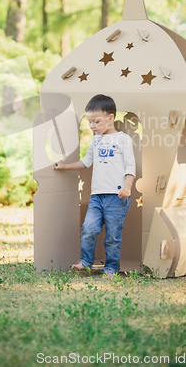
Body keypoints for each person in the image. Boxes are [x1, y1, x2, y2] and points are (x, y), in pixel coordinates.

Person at [54, 94, 136, 278]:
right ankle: (85, 261)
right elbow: (86, 161)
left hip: (117, 196)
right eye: (90, 122)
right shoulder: (96, 140)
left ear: (110, 118)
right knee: (89, 229)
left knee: (112, 237)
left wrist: (127, 186)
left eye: (96, 122)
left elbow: (131, 166)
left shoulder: (123, 140)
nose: (92, 126)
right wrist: (65, 166)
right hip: (97, 197)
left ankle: (111, 268)